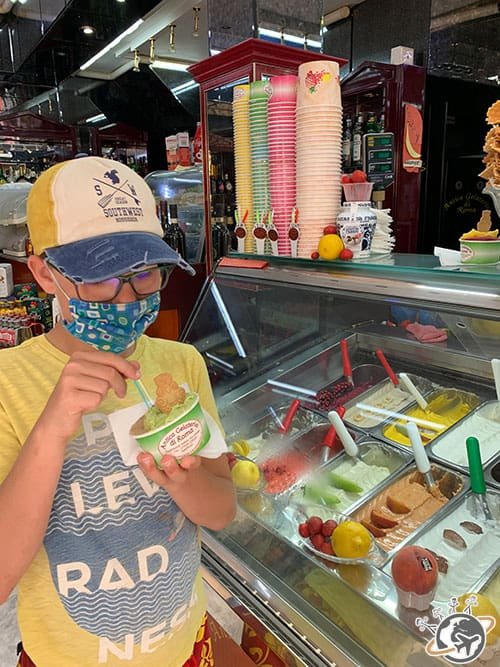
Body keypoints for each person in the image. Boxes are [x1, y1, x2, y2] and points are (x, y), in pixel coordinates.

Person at [0, 156, 236, 667]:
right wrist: (49, 432)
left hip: (186, 646)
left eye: (144, 273)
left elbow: (221, 511)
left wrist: (180, 479)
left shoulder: (182, 364)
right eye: (101, 277)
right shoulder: (7, 383)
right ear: (43, 273)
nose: (127, 297)